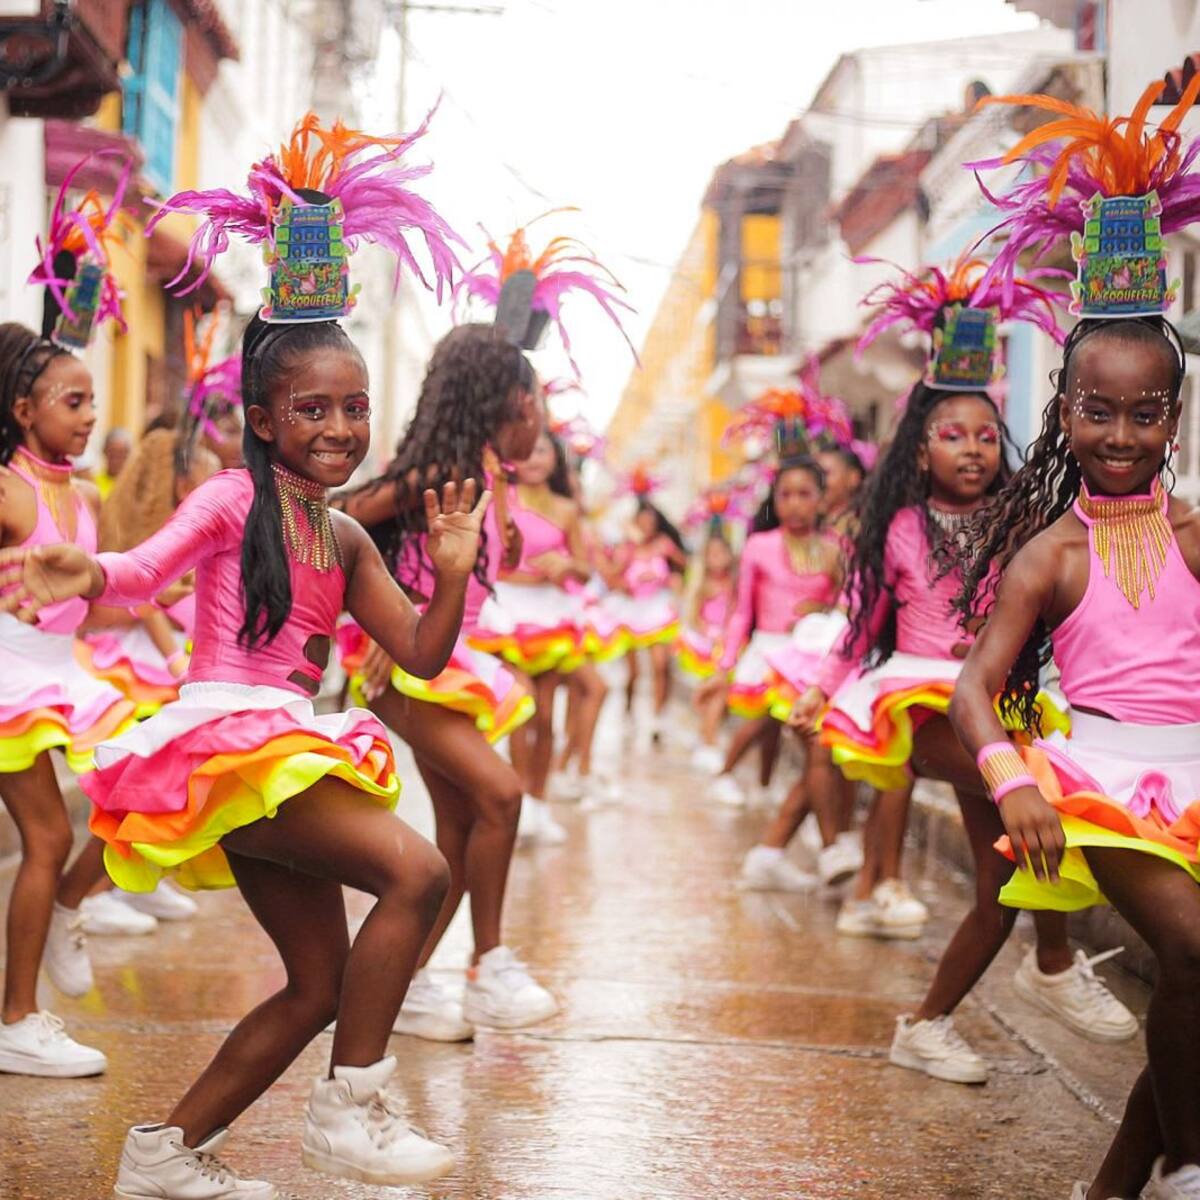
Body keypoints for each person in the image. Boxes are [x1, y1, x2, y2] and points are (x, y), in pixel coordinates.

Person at [793, 254, 1135, 1084]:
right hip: (913, 705)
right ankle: (1052, 962)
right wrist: (822, 688)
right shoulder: (900, 528)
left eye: (987, 435)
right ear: (920, 451)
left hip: (989, 703)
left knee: (1002, 883)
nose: (975, 450)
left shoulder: (1019, 521)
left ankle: (927, 1025)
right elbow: (863, 628)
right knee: (1036, 796)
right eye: (954, 436)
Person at [950, 77, 1200, 1199]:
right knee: (1190, 954)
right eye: (1098, 412)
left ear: (1174, 420)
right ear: (1065, 410)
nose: (1120, 435)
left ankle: (1114, 1182)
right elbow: (975, 690)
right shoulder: (1049, 553)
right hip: (1098, 778)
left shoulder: (1196, 532)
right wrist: (1014, 783)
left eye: (1145, 415)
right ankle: (1189, 1166)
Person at [340, 324, 557, 1039]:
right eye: (538, 407)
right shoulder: (446, 472)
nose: (542, 423)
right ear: (513, 402)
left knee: (461, 833)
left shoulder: (486, 474)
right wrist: (386, 615)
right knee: (501, 794)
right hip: (407, 667)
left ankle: (406, 985)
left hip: (447, 666)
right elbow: (338, 521)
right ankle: (488, 963)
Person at [0, 323, 137, 1077]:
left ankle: (66, 908)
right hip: (8, 674)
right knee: (46, 839)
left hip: (67, 669)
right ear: (25, 410)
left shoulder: (84, 494)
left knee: (155, 792)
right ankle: (16, 1019)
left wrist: (168, 597)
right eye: (73, 401)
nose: (89, 416)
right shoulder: (6, 489)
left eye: (90, 402)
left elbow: (97, 604)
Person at [605, 491, 687, 743]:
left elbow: (684, 566)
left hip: (658, 610)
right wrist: (625, 578)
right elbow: (612, 578)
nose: (647, 526)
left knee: (661, 664)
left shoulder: (664, 544)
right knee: (633, 672)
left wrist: (676, 581)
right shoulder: (625, 548)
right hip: (631, 612)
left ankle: (658, 718)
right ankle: (628, 712)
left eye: (651, 522)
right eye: (642, 521)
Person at [678, 528, 736, 774]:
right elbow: (693, 616)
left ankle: (707, 736)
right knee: (715, 694)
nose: (716, 559)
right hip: (707, 645)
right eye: (711, 554)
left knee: (720, 695)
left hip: (728, 644)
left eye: (721, 553)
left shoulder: (734, 584)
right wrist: (708, 632)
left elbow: (736, 614)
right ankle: (708, 740)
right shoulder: (702, 585)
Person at [94, 427, 132, 499]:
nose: (116, 460)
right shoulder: (93, 482)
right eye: (112, 453)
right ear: (104, 451)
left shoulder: (133, 485)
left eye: (121, 454)